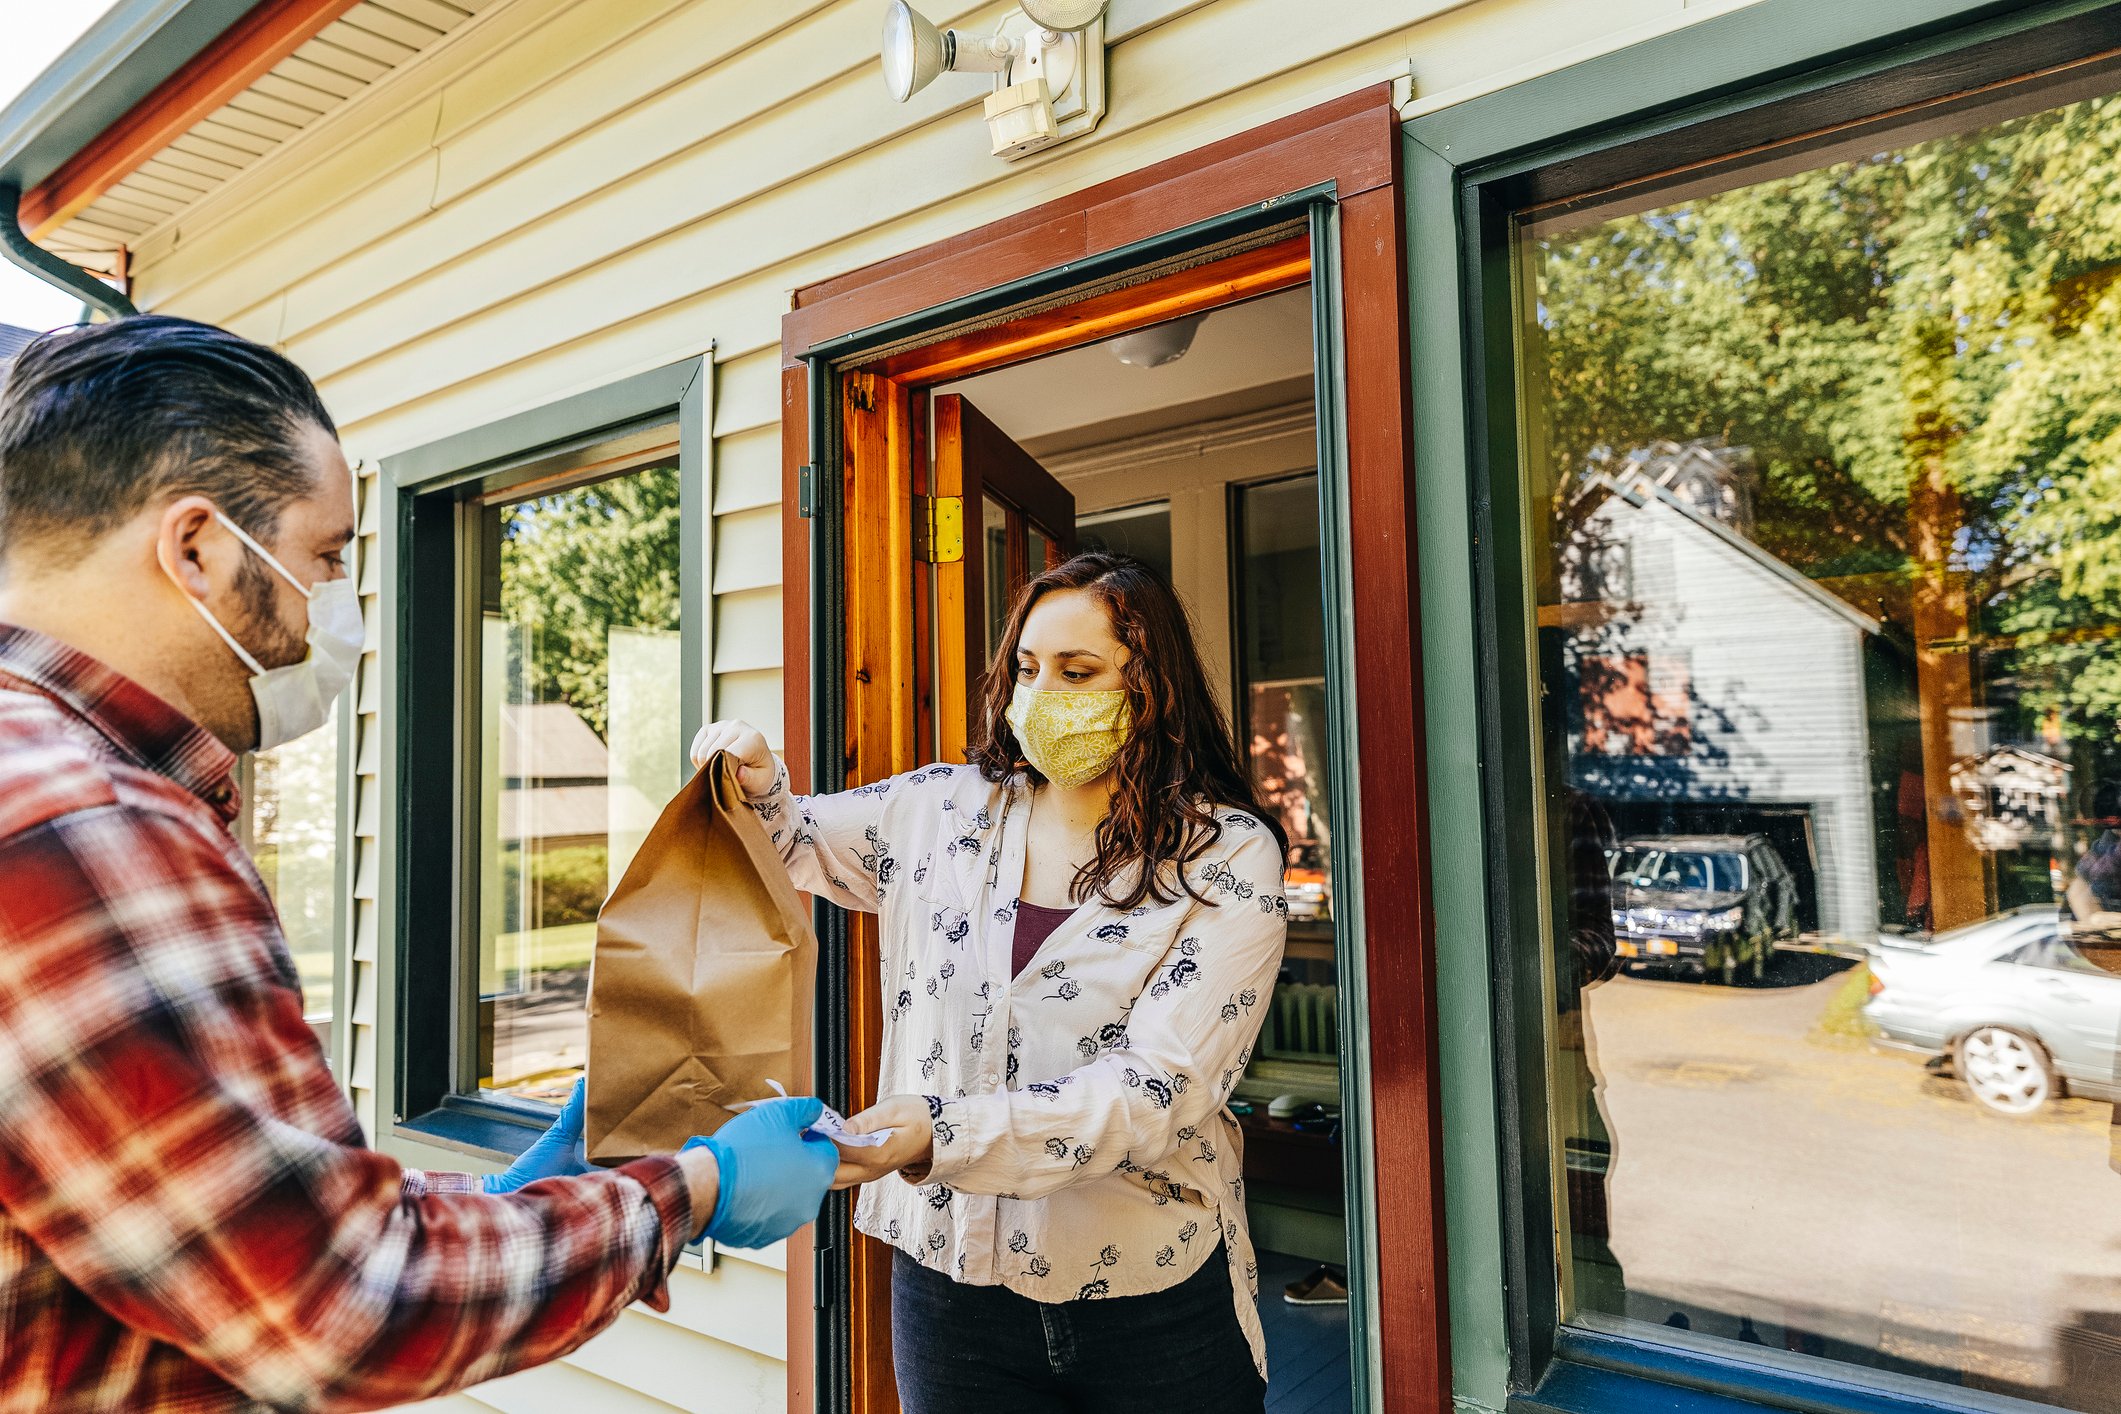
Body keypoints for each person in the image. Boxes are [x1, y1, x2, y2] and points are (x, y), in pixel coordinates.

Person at [0, 317, 837, 1412]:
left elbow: (222, 1213)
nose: (337, 608)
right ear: (197, 547)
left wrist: (505, 1197)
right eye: (329, 556)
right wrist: (693, 1188)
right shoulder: (88, 826)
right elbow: (345, 1303)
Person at [691, 553, 1289, 1414]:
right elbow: (796, 841)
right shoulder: (938, 810)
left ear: (1149, 688)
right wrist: (755, 777)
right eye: (1027, 667)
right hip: (947, 1286)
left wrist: (935, 1135)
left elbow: (1159, 1087)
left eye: (1077, 672)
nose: (1041, 693)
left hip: (1146, 1289)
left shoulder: (1224, 855)